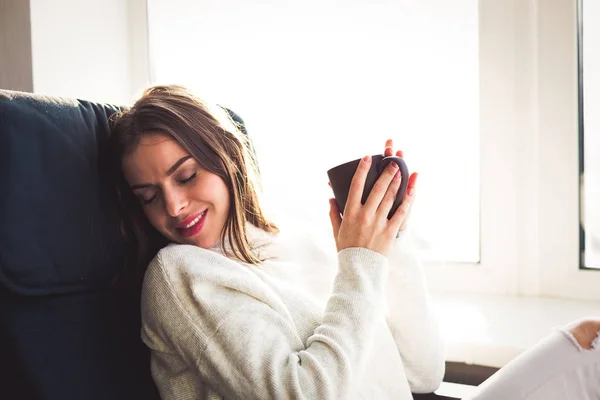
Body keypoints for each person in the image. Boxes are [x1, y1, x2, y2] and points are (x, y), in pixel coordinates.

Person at [109, 84, 445, 399]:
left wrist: (389, 239)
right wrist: (361, 259)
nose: (173, 206)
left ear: (227, 156)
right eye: (148, 197)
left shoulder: (302, 240)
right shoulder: (180, 274)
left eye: (187, 176)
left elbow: (422, 373)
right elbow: (302, 393)